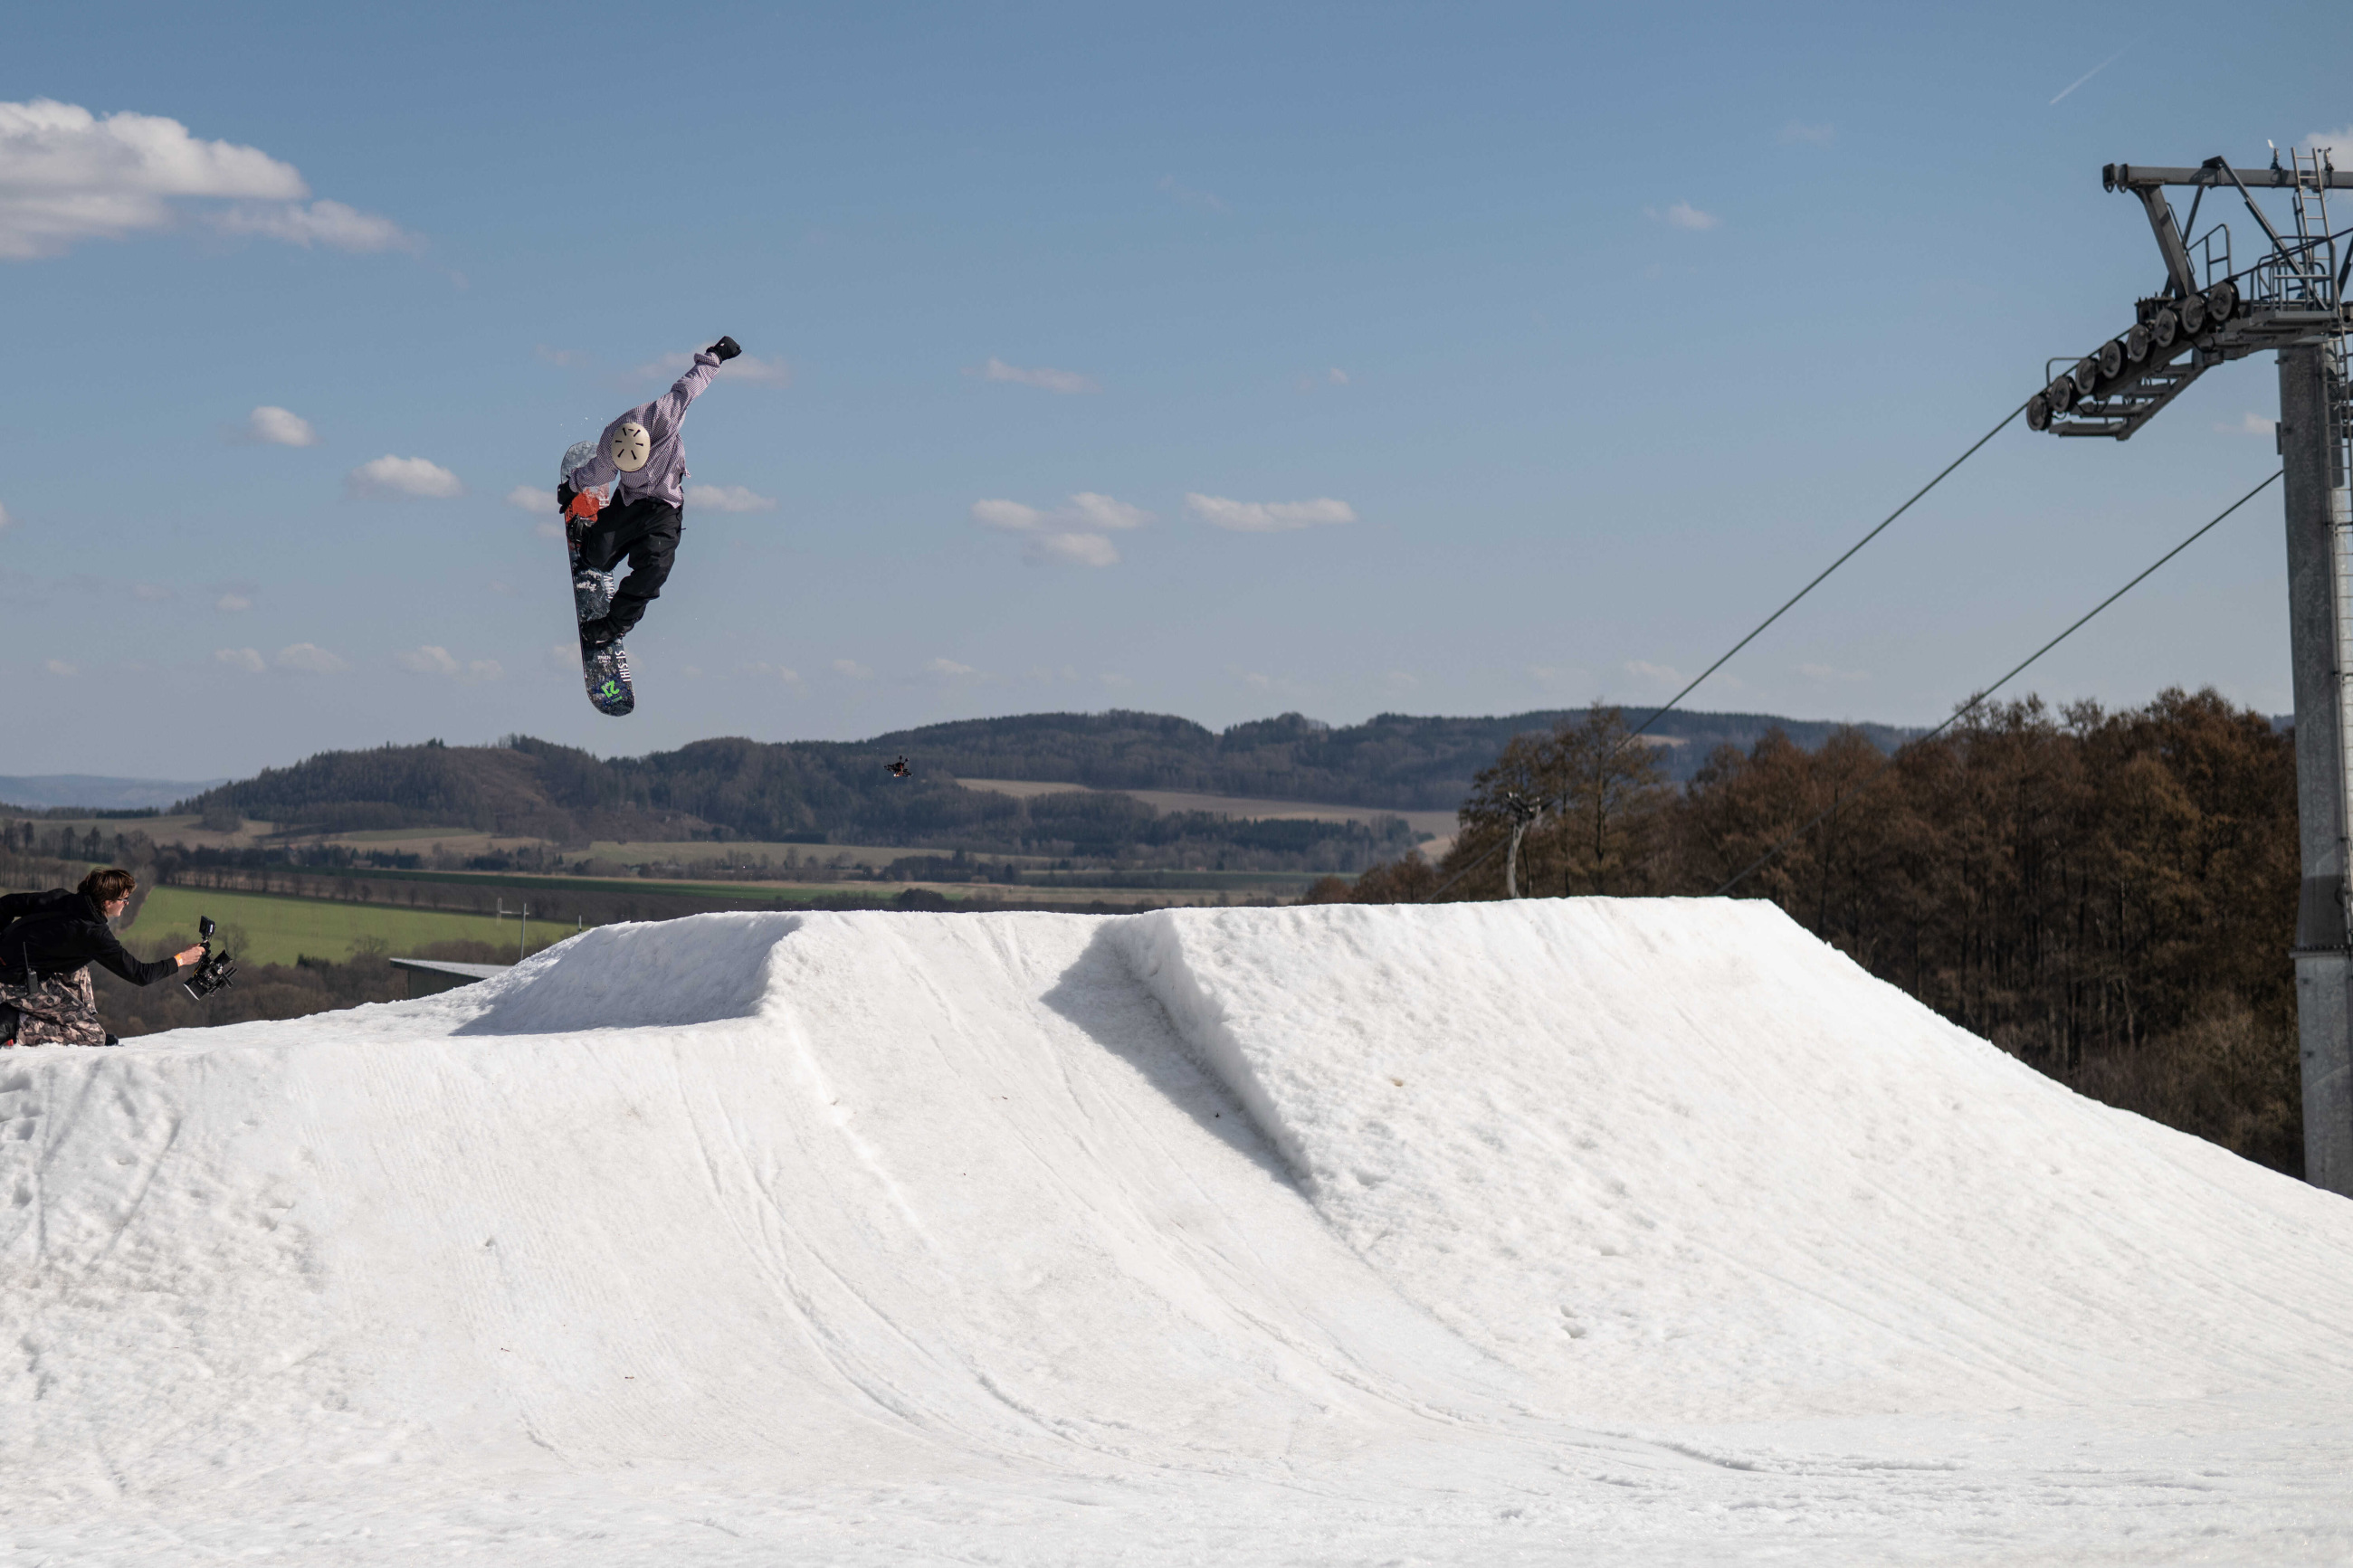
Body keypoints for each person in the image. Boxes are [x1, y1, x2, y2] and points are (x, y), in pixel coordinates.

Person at [557, 335, 744, 648]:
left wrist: (716, 355)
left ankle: (614, 625)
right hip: (630, 502)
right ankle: (589, 540)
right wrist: (571, 487)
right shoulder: (610, 442)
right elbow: (598, 472)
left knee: (655, 569)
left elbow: (690, 386)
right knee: (597, 557)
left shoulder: (664, 415)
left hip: (666, 507)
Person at [0, 869, 204, 1047]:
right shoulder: (94, 934)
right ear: (107, 902)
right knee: (94, 1037)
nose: (127, 903)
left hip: (14, 966)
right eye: (124, 899)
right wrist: (181, 959)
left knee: (81, 972)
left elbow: (7, 904)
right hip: (13, 982)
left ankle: (79, 1023)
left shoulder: (62, 898)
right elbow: (140, 974)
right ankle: (14, 1025)